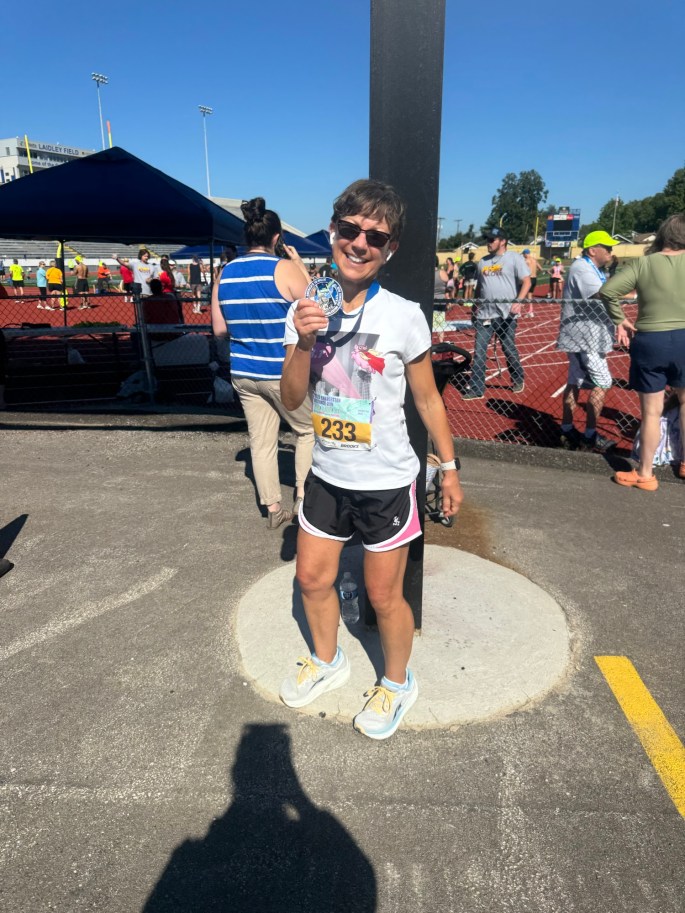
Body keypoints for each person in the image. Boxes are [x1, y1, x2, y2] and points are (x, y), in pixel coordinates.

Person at [278, 178, 464, 740]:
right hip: (328, 474)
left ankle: (398, 683)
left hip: (386, 479)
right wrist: (305, 342)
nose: (360, 243)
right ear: (333, 232)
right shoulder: (307, 311)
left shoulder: (405, 315)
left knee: (385, 596)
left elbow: (428, 398)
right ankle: (328, 660)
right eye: (350, 230)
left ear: (390, 249)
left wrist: (449, 468)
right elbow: (292, 401)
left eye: (375, 237)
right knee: (311, 578)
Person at [211, 197, 315, 528]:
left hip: (243, 371)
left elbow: (219, 329)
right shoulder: (282, 269)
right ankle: (303, 500)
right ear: (276, 237)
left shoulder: (225, 273)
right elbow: (316, 305)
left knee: (261, 441)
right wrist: (299, 265)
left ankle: (272, 508)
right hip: (281, 372)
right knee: (307, 430)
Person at [599, 213, 685, 490]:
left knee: (651, 412)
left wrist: (620, 320)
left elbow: (608, 291)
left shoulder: (644, 263)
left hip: (651, 341)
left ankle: (645, 473)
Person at [556, 230, 620, 453]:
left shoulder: (591, 268)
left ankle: (566, 430)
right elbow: (601, 294)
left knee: (574, 381)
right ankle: (590, 436)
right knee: (603, 381)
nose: (611, 251)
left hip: (586, 335)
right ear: (593, 250)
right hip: (585, 337)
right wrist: (633, 289)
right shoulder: (582, 268)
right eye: (607, 247)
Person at [463, 227, 530, 400]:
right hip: (485, 314)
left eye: (492, 240)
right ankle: (477, 388)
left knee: (508, 348)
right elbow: (480, 288)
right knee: (479, 351)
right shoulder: (483, 262)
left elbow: (526, 282)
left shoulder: (514, 258)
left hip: (506, 315)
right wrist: (474, 307)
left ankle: (517, 377)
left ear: (503, 241)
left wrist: (518, 302)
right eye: (487, 239)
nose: (488, 243)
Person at [521, 248, 542, 316]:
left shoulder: (526, 261)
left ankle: (519, 311)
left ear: (525, 254)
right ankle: (530, 311)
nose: (523, 255)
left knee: (521, 294)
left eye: (523, 254)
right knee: (530, 295)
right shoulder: (534, 260)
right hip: (534, 279)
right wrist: (535, 274)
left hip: (529, 279)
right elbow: (540, 269)